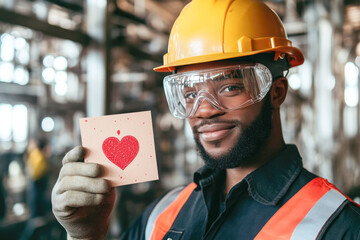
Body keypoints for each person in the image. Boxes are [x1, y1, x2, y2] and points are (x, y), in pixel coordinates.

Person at [51, 0, 360, 239]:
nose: (204, 109)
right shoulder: (161, 218)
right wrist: (86, 234)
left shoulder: (338, 226)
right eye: (188, 93)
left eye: (229, 87)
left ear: (276, 92)